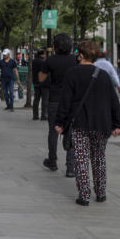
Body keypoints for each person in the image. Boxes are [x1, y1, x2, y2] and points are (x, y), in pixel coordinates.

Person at [55, 40, 120, 206]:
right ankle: (101, 192)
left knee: (81, 158)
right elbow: (114, 102)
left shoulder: (72, 73)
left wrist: (60, 122)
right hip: (102, 124)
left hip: (80, 123)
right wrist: (117, 124)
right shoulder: (104, 75)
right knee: (99, 157)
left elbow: (65, 101)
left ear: (81, 55)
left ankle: (84, 195)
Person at [40, 33, 79, 176]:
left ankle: (52, 160)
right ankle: (70, 167)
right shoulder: (75, 60)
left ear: (55, 46)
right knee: (71, 132)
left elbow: (41, 78)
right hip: (71, 102)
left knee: (53, 131)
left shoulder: (50, 60)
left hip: (55, 99)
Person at [31, 49, 48, 120]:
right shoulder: (44, 62)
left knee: (36, 99)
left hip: (36, 82)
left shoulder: (34, 61)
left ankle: (35, 115)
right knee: (44, 99)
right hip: (43, 82)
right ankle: (43, 115)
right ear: (43, 54)